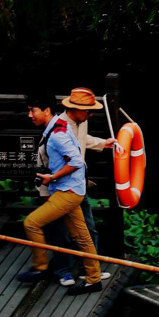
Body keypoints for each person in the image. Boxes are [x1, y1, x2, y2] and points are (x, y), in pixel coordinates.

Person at [26, 91, 114, 287]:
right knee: (68, 233)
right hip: (65, 188)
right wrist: (48, 186)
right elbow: (49, 159)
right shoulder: (59, 127)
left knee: (82, 231)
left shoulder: (62, 128)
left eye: (33, 110)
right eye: (88, 111)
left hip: (69, 188)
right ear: (76, 109)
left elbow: (77, 155)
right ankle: (80, 275)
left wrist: (102, 143)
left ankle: (45, 268)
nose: (90, 115)